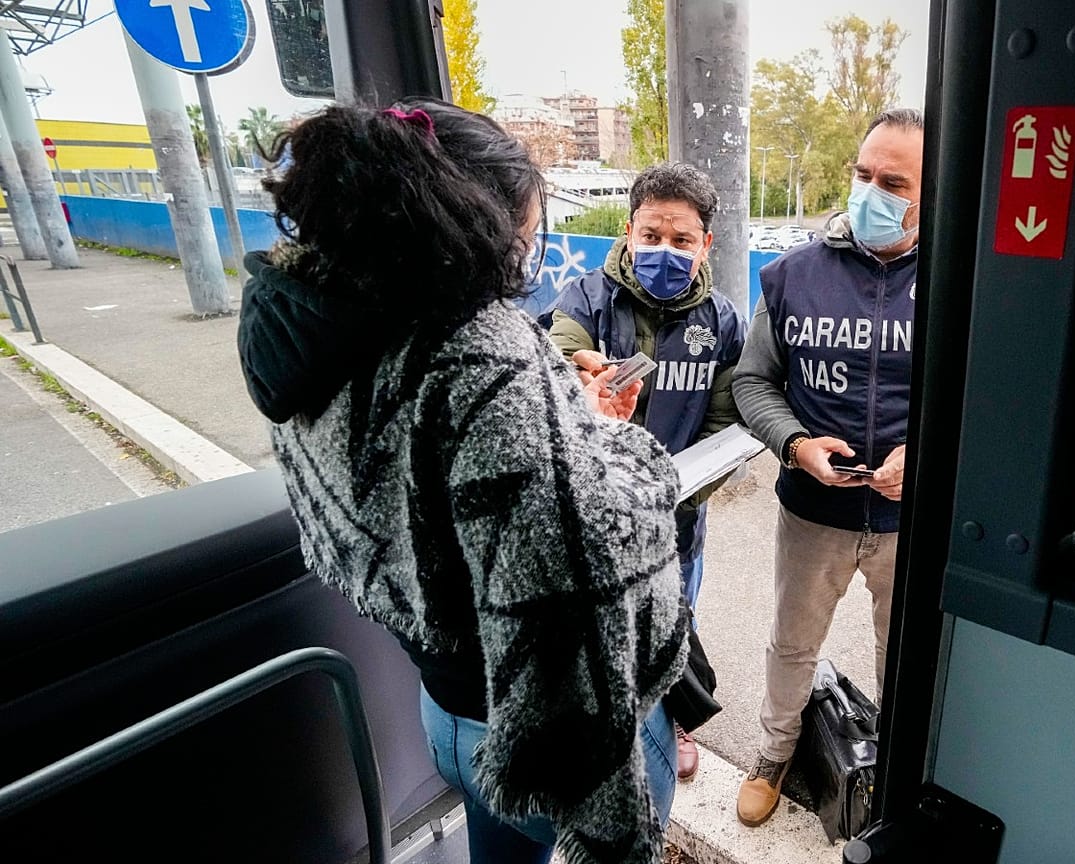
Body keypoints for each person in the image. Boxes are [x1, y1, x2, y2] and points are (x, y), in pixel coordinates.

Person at [236, 99, 688, 864]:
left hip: (445, 708)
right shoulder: (482, 354)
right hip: (541, 729)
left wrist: (557, 421)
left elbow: (437, 475)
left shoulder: (322, 323)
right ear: (473, 220)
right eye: (525, 227)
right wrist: (617, 442)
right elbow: (580, 553)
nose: (526, 249)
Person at [730, 108, 924, 827]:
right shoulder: (791, 276)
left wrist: (926, 452)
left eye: (894, 182)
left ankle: (902, 771)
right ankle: (775, 753)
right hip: (815, 512)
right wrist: (794, 445)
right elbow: (753, 382)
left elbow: (988, 393)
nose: (872, 191)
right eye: (863, 174)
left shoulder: (963, 284)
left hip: (910, 520)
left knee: (904, 654)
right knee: (793, 643)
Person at [543, 161, 745, 783]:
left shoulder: (724, 323)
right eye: (651, 235)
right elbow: (556, 349)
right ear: (628, 232)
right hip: (591, 512)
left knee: (673, 617)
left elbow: (723, 427)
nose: (665, 250)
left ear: (705, 244)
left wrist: (670, 499)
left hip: (677, 520)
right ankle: (604, 719)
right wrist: (575, 375)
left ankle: (668, 720)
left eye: (681, 240)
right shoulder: (585, 298)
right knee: (593, 623)